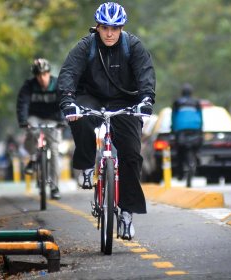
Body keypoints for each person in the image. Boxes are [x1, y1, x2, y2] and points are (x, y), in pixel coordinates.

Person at [57, 2, 155, 240]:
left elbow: (145, 74)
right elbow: (69, 73)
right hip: (91, 97)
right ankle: (87, 164)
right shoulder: (86, 46)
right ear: (97, 27)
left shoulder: (133, 46)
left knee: (132, 155)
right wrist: (68, 101)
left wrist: (146, 100)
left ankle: (127, 213)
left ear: (121, 28)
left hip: (125, 100)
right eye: (104, 28)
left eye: (115, 28)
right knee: (78, 118)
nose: (109, 33)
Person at [16, 58, 64, 200]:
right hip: (35, 117)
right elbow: (22, 103)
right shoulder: (29, 86)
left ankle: (54, 186)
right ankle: (32, 156)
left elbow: (64, 102)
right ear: (35, 76)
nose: (42, 78)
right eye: (38, 75)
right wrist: (23, 121)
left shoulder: (57, 84)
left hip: (53, 119)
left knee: (54, 150)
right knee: (31, 131)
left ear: (49, 73)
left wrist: (62, 120)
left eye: (44, 74)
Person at [171, 83, 203, 180]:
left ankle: (180, 174)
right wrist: (200, 129)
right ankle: (197, 157)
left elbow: (173, 117)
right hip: (195, 128)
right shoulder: (196, 102)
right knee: (196, 146)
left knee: (180, 150)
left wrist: (173, 129)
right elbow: (200, 117)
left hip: (181, 129)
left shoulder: (177, 102)